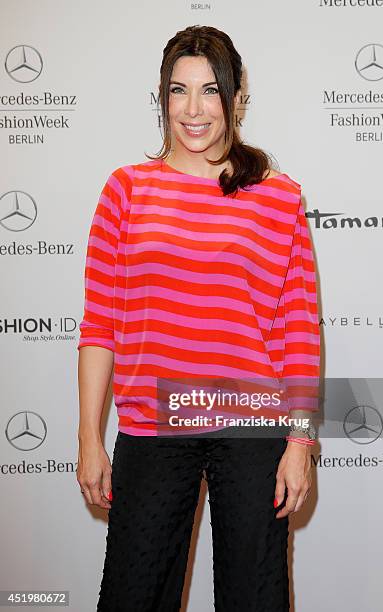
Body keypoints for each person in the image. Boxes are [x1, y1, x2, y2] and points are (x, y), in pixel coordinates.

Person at [76, 25, 320, 612]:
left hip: (252, 424)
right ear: (161, 97)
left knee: (254, 598)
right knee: (132, 596)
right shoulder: (126, 191)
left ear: (236, 99)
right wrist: (89, 436)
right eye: (178, 90)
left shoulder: (277, 195)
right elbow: (99, 325)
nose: (193, 109)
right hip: (153, 425)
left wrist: (300, 443)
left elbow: (299, 331)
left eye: (210, 91)